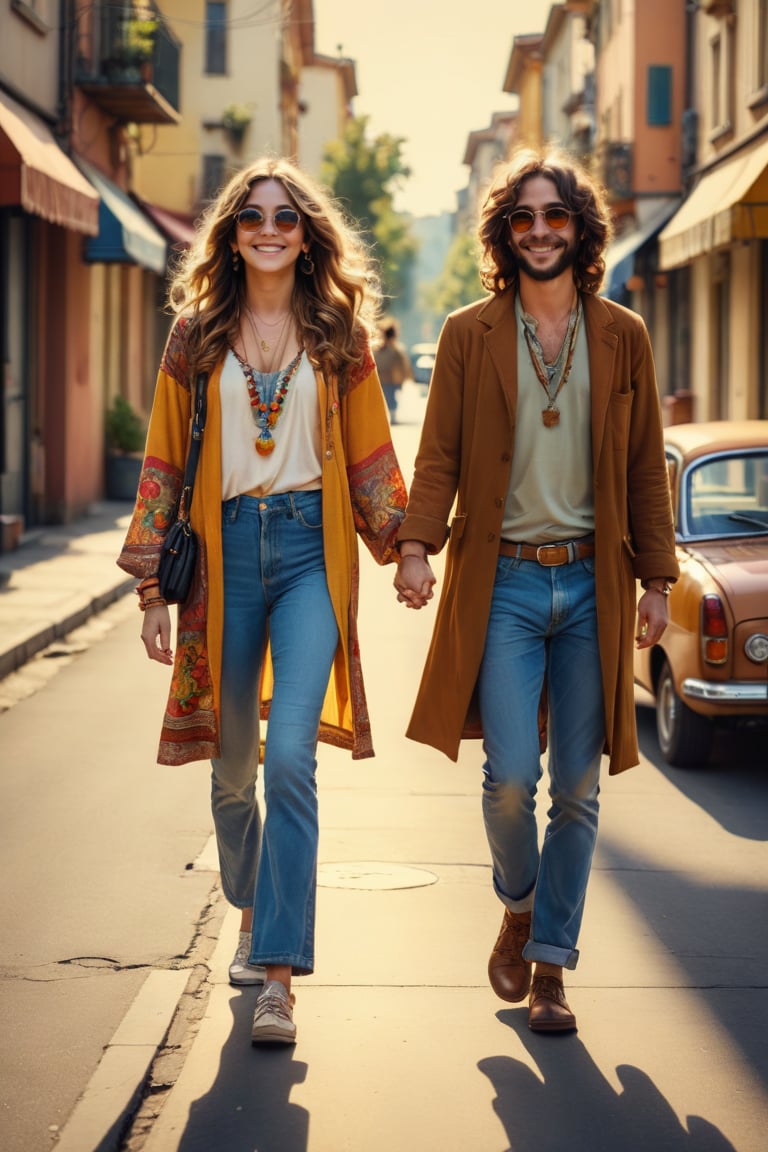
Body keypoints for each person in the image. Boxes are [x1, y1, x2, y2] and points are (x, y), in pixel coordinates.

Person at [117, 157, 407, 1045]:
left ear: (307, 232)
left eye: (286, 216)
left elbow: (368, 457)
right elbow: (164, 458)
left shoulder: (338, 334)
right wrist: (150, 593)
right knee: (232, 765)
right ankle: (249, 904)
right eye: (253, 217)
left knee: (291, 761)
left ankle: (279, 972)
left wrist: (407, 547)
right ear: (233, 235)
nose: (270, 228)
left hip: (311, 556)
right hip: (225, 553)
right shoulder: (194, 336)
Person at [393, 149, 678, 1033]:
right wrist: (414, 545)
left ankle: (552, 963)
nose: (541, 230)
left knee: (580, 790)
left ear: (580, 229)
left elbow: (642, 473)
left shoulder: (623, 334)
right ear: (505, 233)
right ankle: (518, 902)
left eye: (556, 216)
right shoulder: (468, 334)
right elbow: (437, 451)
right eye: (524, 218)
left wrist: (659, 579)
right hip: (505, 585)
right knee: (510, 779)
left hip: (596, 581)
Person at [373, 321, 411, 423]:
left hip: (390, 379)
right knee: (385, 398)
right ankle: (387, 416)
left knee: (390, 398)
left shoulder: (394, 350)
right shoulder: (380, 349)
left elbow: (401, 366)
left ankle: (391, 415)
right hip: (383, 378)